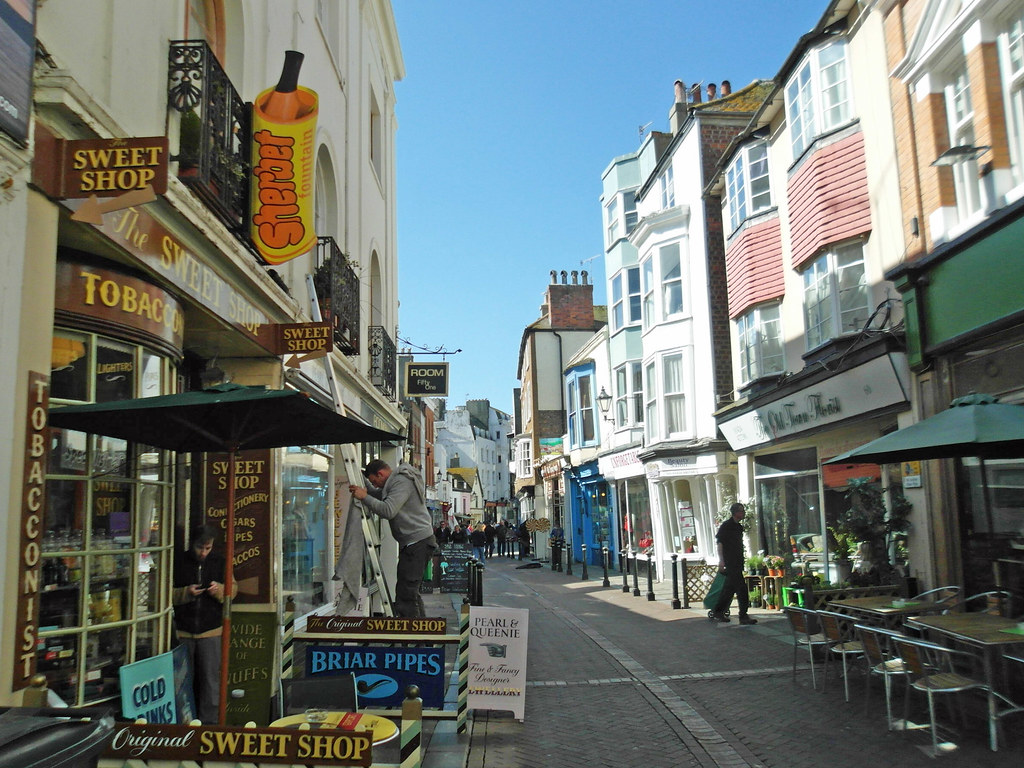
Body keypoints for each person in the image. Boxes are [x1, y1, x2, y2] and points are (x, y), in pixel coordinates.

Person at [349, 459, 437, 617]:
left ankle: (411, 636)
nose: (375, 485)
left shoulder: (401, 481)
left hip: (417, 543)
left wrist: (364, 497)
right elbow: (379, 494)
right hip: (415, 542)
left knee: (406, 593)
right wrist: (364, 485)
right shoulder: (394, 482)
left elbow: (388, 510)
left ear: (381, 474)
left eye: (374, 481)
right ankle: (422, 636)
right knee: (410, 592)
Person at [172, 525, 237, 723]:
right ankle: (184, 722)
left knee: (211, 682)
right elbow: (162, 594)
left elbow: (233, 591)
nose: (204, 552)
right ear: (192, 544)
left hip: (211, 630)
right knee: (183, 682)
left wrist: (219, 590)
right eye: (200, 547)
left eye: (208, 548)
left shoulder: (220, 561)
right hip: (183, 631)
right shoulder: (178, 562)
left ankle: (209, 723)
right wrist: (185, 593)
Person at [711, 503, 757, 625]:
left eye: (743, 511)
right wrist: (721, 561)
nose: (743, 513)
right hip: (730, 562)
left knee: (729, 589)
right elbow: (720, 543)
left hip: (737, 562)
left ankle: (718, 611)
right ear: (735, 512)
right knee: (742, 589)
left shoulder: (739, 527)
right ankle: (743, 616)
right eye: (741, 511)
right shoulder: (726, 526)